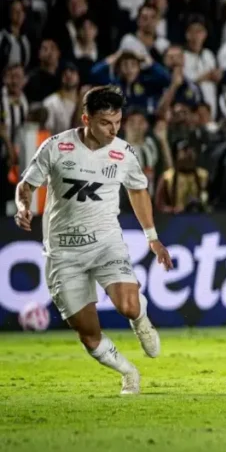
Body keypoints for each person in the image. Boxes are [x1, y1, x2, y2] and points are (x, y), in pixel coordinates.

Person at [13, 86, 174, 395]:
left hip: (105, 244)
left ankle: (140, 317)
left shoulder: (124, 153)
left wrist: (152, 238)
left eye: (117, 122)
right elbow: (26, 185)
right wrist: (23, 207)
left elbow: (138, 191)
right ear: (86, 119)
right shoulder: (56, 147)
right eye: (105, 123)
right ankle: (128, 372)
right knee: (89, 335)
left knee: (127, 305)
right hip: (62, 253)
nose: (113, 130)